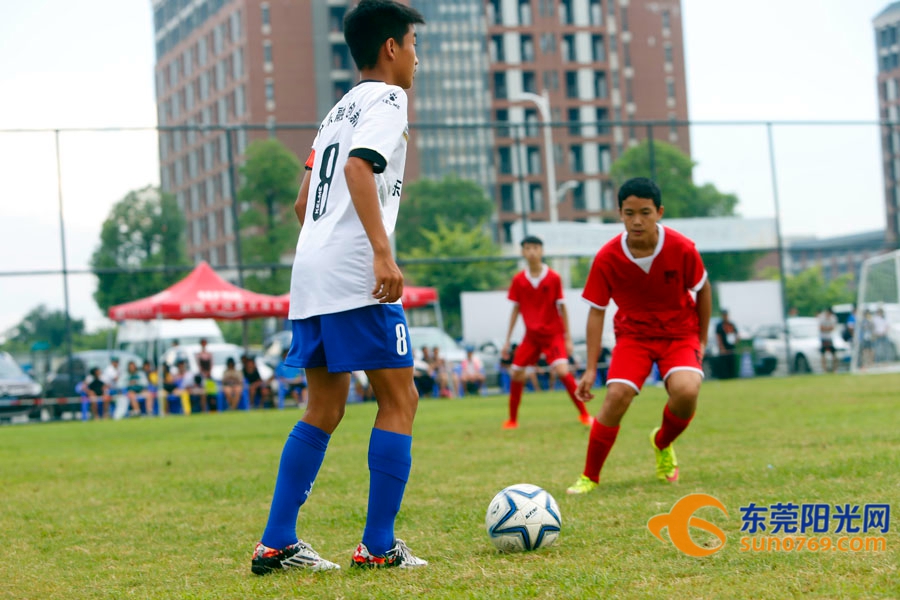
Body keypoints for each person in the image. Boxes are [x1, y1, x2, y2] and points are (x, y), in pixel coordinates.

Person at [251, 0, 427, 575]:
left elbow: (305, 202)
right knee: (400, 400)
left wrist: (330, 250)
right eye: (414, 45)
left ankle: (277, 542)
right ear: (392, 48)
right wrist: (378, 251)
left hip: (312, 272)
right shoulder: (389, 99)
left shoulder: (336, 111)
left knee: (324, 406)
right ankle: (378, 547)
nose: (417, 60)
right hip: (356, 275)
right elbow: (358, 169)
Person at [566, 177, 712, 495]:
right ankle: (589, 476)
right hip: (634, 337)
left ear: (658, 212)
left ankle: (662, 442)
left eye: (645, 212)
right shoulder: (607, 257)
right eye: (629, 212)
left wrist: (701, 338)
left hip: (680, 333)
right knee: (617, 395)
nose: (637, 220)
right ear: (620, 213)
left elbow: (702, 288)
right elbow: (596, 311)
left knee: (686, 392)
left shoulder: (682, 248)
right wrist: (591, 368)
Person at [500, 235, 593, 429]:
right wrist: (507, 341)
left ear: (541, 251)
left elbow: (562, 307)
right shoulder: (518, 280)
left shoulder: (553, 278)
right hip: (531, 338)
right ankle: (512, 420)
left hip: (553, 335)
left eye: (535, 248)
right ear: (522, 252)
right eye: (527, 248)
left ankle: (585, 415)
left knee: (562, 371)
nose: (531, 252)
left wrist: (567, 337)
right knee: (516, 374)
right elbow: (515, 309)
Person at [714, 309, 739, 379]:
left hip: (731, 347)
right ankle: (725, 377)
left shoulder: (731, 324)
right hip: (724, 348)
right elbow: (718, 337)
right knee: (724, 364)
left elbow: (736, 334)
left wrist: (736, 342)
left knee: (732, 363)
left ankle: (733, 376)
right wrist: (721, 348)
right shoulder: (719, 325)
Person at [818, 307, 838, 373]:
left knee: (834, 354)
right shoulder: (821, 317)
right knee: (823, 354)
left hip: (830, 338)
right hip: (823, 338)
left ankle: (834, 370)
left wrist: (826, 329)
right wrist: (827, 329)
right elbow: (821, 328)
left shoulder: (833, 318)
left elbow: (833, 328)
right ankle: (825, 370)